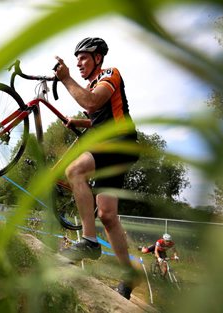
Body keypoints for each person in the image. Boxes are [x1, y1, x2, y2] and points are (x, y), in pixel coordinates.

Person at [54, 37, 140, 300]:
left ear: (97, 59)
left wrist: (67, 79)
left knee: (75, 171)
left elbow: (91, 102)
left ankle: (89, 243)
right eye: (76, 58)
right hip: (115, 146)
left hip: (119, 142)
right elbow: (98, 117)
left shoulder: (109, 75)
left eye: (83, 57)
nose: (78, 63)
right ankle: (129, 276)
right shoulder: (93, 84)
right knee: (107, 215)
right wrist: (78, 121)